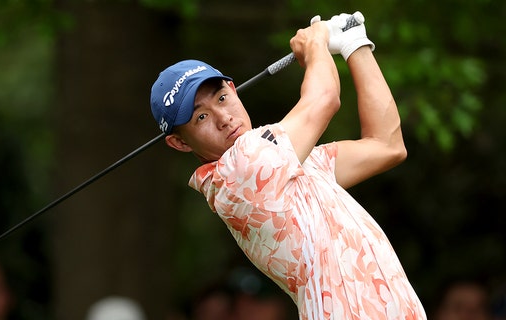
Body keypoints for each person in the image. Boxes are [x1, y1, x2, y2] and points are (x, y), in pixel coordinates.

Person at [149, 11, 426, 319]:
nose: (223, 118)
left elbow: (386, 146)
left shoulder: (285, 162)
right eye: (201, 117)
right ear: (180, 142)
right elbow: (325, 99)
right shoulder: (240, 171)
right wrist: (316, 40)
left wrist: (355, 45)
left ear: (233, 88)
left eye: (223, 98)